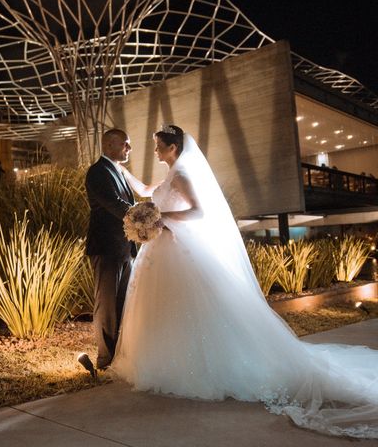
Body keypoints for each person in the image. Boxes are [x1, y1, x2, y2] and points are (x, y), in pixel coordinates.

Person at [112, 124, 378, 439]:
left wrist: (162, 220)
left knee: (190, 307)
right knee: (164, 309)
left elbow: (199, 211)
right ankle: (165, 362)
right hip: (163, 249)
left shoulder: (183, 176)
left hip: (179, 250)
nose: (155, 151)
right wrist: (120, 170)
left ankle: (198, 369)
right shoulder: (171, 175)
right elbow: (145, 190)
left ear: (172, 148)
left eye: (158, 146)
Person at [85, 128, 137, 370]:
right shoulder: (97, 172)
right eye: (125, 144)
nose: (129, 149)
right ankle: (105, 360)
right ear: (108, 146)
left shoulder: (118, 171)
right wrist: (145, 217)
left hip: (124, 248)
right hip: (106, 248)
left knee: (122, 303)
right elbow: (114, 205)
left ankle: (119, 355)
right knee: (106, 305)